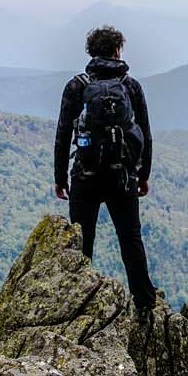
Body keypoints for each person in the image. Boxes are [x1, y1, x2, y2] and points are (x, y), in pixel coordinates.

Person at [54, 25, 158, 310]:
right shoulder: (130, 85)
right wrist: (143, 174)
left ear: (91, 52)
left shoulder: (78, 85)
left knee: (81, 241)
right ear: (117, 51)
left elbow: (63, 133)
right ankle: (145, 303)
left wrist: (60, 177)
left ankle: (77, 304)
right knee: (130, 239)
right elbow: (146, 133)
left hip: (84, 176)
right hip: (122, 176)